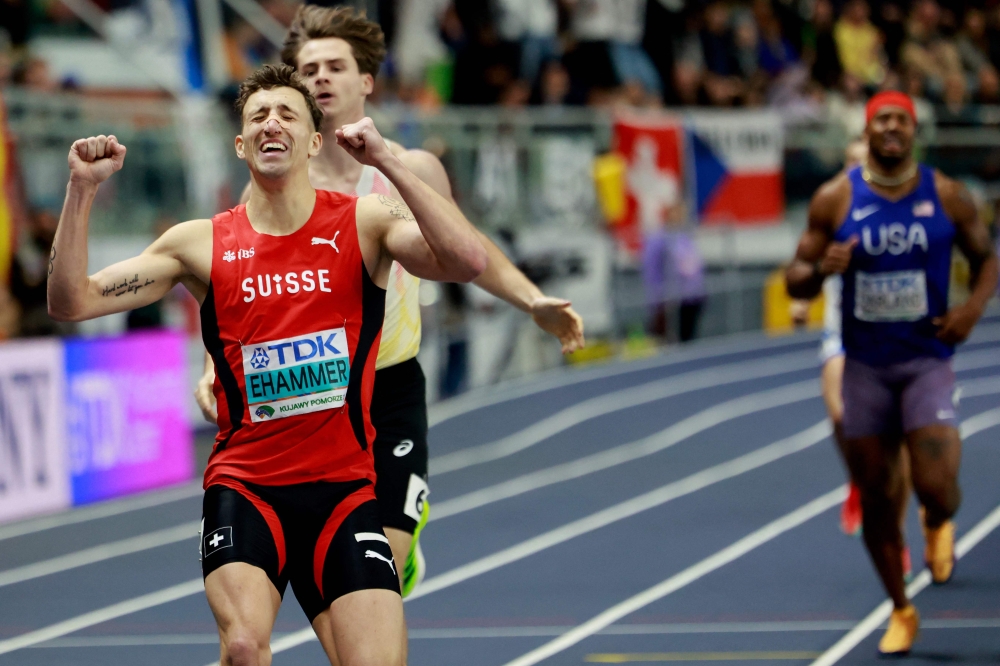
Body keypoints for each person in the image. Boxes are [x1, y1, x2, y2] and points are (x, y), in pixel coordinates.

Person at [48, 64, 490, 666]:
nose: (271, 123)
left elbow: (466, 261)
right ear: (241, 144)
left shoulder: (365, 223)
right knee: (245, 646)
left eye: (287, 114)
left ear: (314, 140)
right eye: (258, 116)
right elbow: (72, 300)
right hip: (247, 488)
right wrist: (82, 189)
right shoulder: (199, 243)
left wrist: (387, 165)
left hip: (345, 493)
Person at [194, 4, 584, 604]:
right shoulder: (272, 183)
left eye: (335, 66)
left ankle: (400, 553)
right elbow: (236, 280)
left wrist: (531, 300)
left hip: (391, 384)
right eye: (308, 68)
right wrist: (208, 368)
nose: (320, 77)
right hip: (310, 391)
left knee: (383, 572)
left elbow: (466, 244)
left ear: (366, 82)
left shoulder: (412, 167)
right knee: (321, 574)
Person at [786, 90, 998, 656]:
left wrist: (971, 310)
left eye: (900, 119)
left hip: (925, 360)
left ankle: (938, 519)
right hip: (865, 368)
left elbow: (987, 258)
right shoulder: (836, 198)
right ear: (867, 128)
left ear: (913, 130)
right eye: (881, 119)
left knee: (937, 485)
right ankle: (901, 609)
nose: (891, 128)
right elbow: (795, 277)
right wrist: (819, 271)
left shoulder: (946, 194)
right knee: (877, 499)